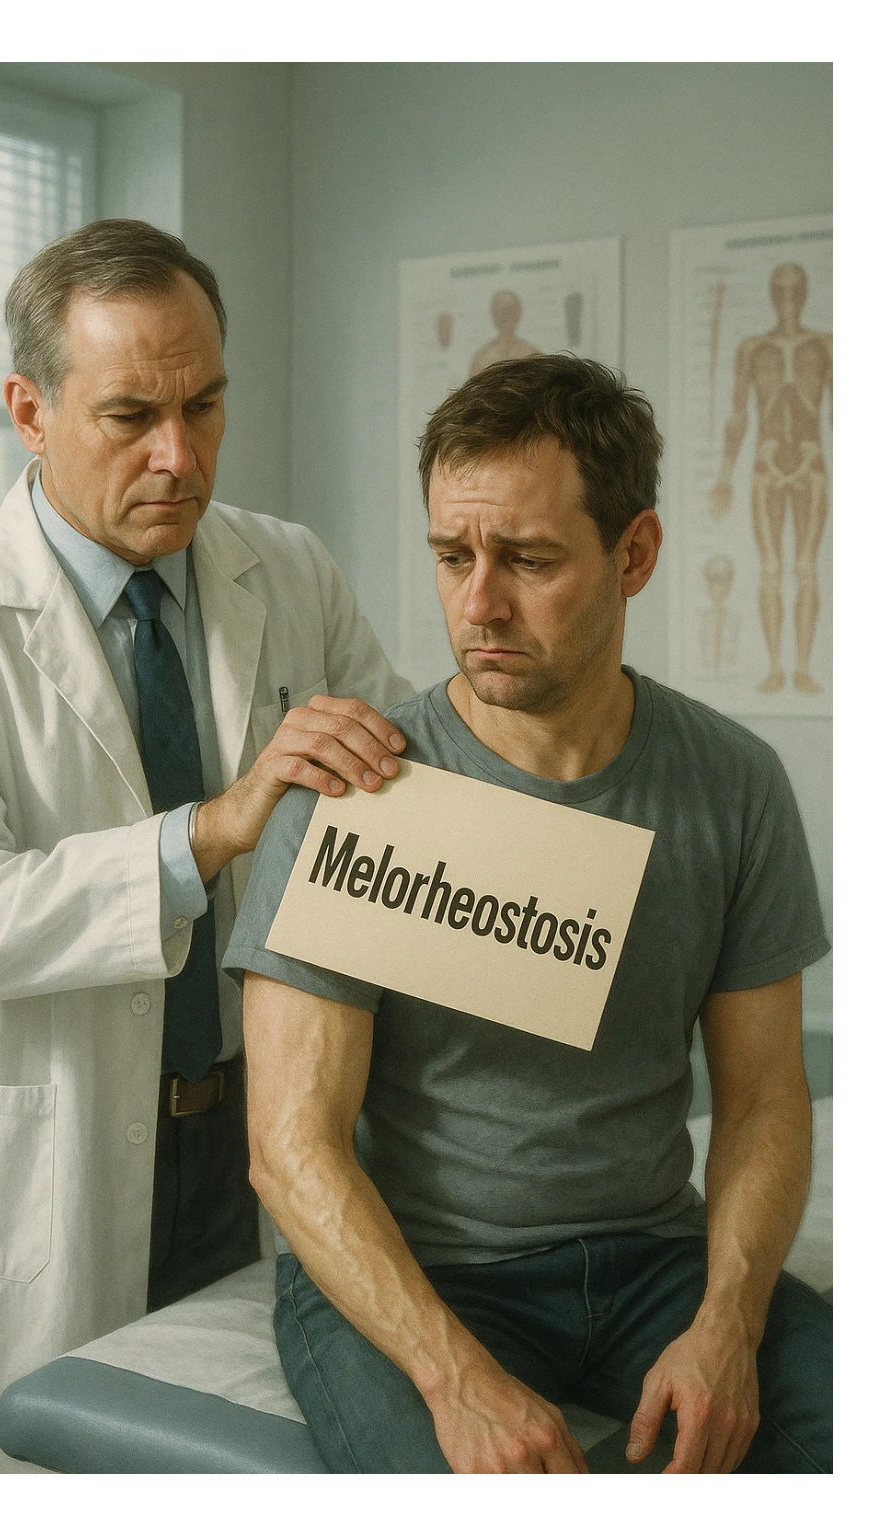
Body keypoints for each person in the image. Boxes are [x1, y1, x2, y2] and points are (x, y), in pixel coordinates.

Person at [224, 354, 832, 1474]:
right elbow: (289, 1147)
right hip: (416, 1270)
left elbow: (762, 1101)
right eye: (452, 556)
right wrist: (456, 1377)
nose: (477, 603)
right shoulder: (360, 792)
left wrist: (727, 1322)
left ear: (633, 554)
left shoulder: (732, 786)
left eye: (529, 560)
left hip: (652, 1257)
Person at [0, 218, 412, 1473]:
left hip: (266, 1138)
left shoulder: (288, 569)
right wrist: (214, 830)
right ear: (30, 410)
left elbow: (398, 790)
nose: (179, 457)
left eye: (206, 406)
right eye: (130, 415)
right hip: (53, 1160)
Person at [709, 262, 832, 696]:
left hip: (812, 462)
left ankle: (802, 667)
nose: (786, 296)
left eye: (793, 287)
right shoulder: (752, 349)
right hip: (765, 463)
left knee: (806, 569)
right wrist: (724, 474)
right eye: (778, 287)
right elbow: (739, 415)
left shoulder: (826, 346)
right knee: (772, 569)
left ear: (805, 291)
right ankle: (777, 667)